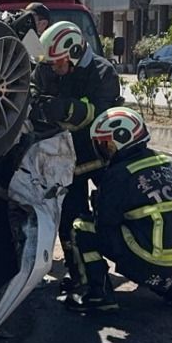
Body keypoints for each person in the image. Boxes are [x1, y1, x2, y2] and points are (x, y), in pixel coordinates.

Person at [66, 107, 172, 313]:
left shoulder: (119, 173)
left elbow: (105, 224)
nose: (104, 150)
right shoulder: (165, 163)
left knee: (82, 227)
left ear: (120, 140)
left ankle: (97, 292)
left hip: (150, 265)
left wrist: (98, 201)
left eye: (105, 144)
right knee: (153, 223)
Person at [31, 21, 121, 292]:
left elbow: (101, 114)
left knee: (117, 211)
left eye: (58, 63)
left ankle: (140, 264)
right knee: (71, 219)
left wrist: (64, 109)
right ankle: (81, 274)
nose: (53, 69)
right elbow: (33, 86)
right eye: (50, 64)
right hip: (64, 161)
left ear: (74, 53)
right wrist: (36, 101)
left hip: (100, 157)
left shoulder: (103, 73)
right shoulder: (48, 68)